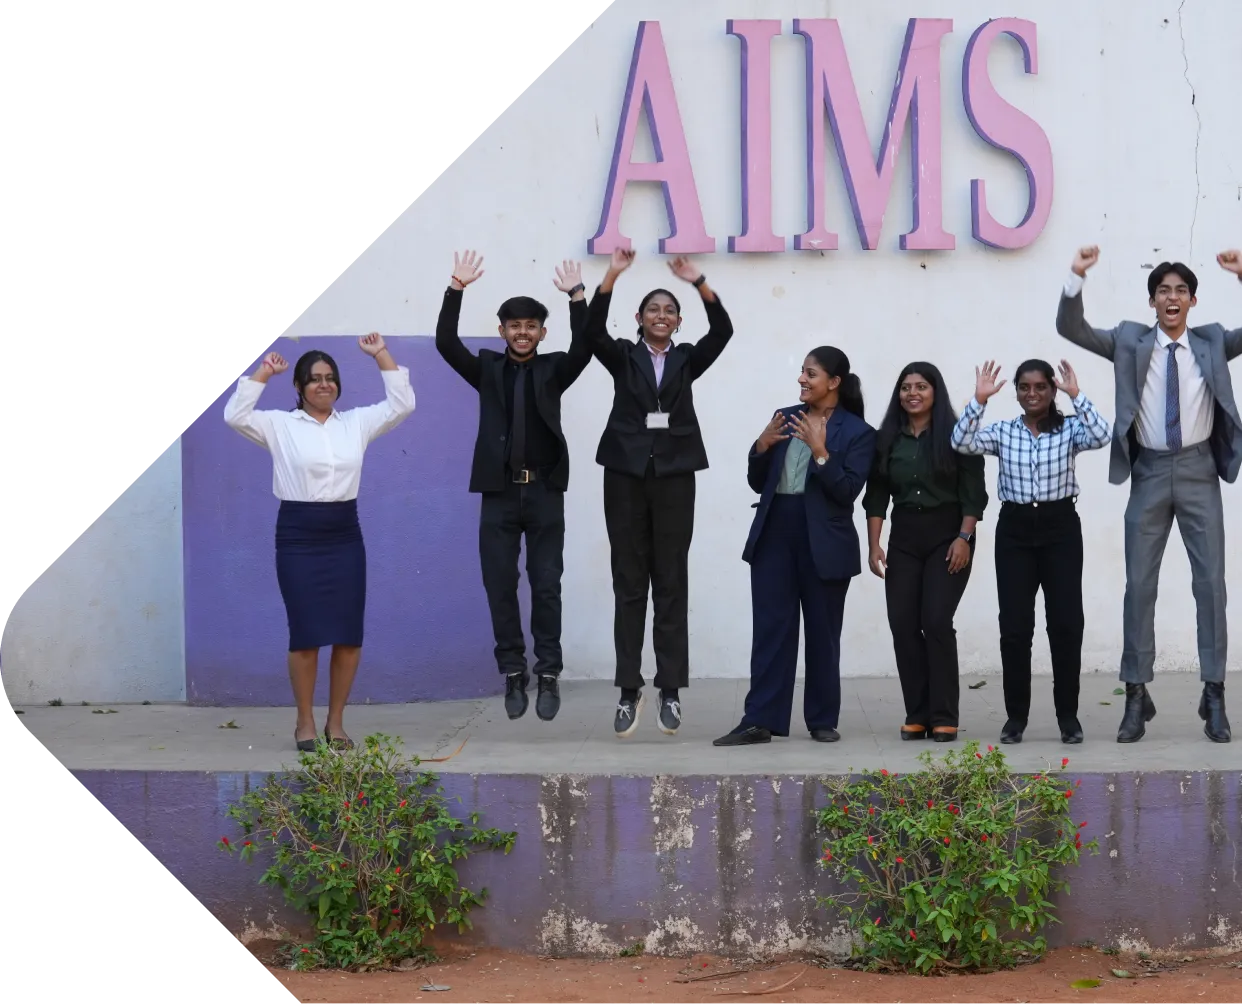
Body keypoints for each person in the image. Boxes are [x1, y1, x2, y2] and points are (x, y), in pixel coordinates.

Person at [1056, 246, 1241, 744]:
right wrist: (1077, 276)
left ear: (1193, 300)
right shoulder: (1130, 340)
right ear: (1153, 302)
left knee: (1212, 586)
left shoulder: (1211, 341)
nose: (1172, 297)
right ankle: (1136, 694)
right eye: (1164, 291)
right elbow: (1072, 330)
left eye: (1181, 290)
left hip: (1201, 469)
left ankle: (1215, 692)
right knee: (1139, 585)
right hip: (1151, 472)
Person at [223, 335, 415, 751]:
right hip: (297, 536)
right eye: (313, 379)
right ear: (299, 387)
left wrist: (380, 354)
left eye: (330, 378)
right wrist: (262, 373)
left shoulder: (356, 423)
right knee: (306, 634)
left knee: (348, 634)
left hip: (345, 534)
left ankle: (337, 723)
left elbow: (402, 405)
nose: (323, 385)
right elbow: (235, 415)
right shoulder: (279, 425)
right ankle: (304, 721)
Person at [434, 250, 592, 723]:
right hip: (498, 494)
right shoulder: (486, 370)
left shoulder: (554, 370)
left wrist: (578, 297)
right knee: (500, 584)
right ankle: (512, 671)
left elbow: (586, 345)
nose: (522, 332)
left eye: (530, 326)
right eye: (513, 325)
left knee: (546, 585)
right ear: (502, 331)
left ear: (542, 333)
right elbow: (445, 342)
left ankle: (548, 673)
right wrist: (455, 288)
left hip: (544, 493)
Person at [584, 247, 734, 738]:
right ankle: (630, 689)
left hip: (674, 477)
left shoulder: (688, 359)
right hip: (625, 476)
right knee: (629, 583)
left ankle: (670, 687)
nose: (661, 316)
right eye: (653, 309)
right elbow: (589, 333)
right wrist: (611, 274)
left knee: (671, 581)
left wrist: (698, 281)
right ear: (640, 318)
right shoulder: (623, 357)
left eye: (669, 310)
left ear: (678, 320)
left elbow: (723, 332)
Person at [713, 348, 876, 746]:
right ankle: (760, 719)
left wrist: (821, 453)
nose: (802, 380)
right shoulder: (785, 417)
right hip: (775, 532)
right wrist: (761, 447)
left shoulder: (858, 432)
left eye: (811, 374)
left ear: (834, 383)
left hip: (824, 539)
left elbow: (847, 491)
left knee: (823, 633)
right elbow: (758, 481)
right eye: (802, 373)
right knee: (771, 630)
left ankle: (822, 719)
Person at [952, 358, 1112, 744]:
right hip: (1016, 532)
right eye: (1024, 387)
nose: (1032, 394)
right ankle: (1015, 718)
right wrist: (979, 400)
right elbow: (961, 442)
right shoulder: (1005, 431)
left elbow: (1103, 434)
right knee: (1015, 628)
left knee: (1066, 624)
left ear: (1052, 390)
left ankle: (1068, 717)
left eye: (1040, 387)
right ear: (1017, 392)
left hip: (1060, 529)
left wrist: (1078, 396)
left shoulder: (1071, 428)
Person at [862, 363, 988, 742]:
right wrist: (874, 545)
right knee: (902, 623)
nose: (912, 393)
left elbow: (974, 493)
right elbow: (876, 496)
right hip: (905, 537)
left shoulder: (957, 436)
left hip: (948, 536)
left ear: (936, 392)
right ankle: (917, 712)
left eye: (920, 386)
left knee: (934, 620)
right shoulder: (887, 439)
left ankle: (944, 714)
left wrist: (964, 538)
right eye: (905, 387)